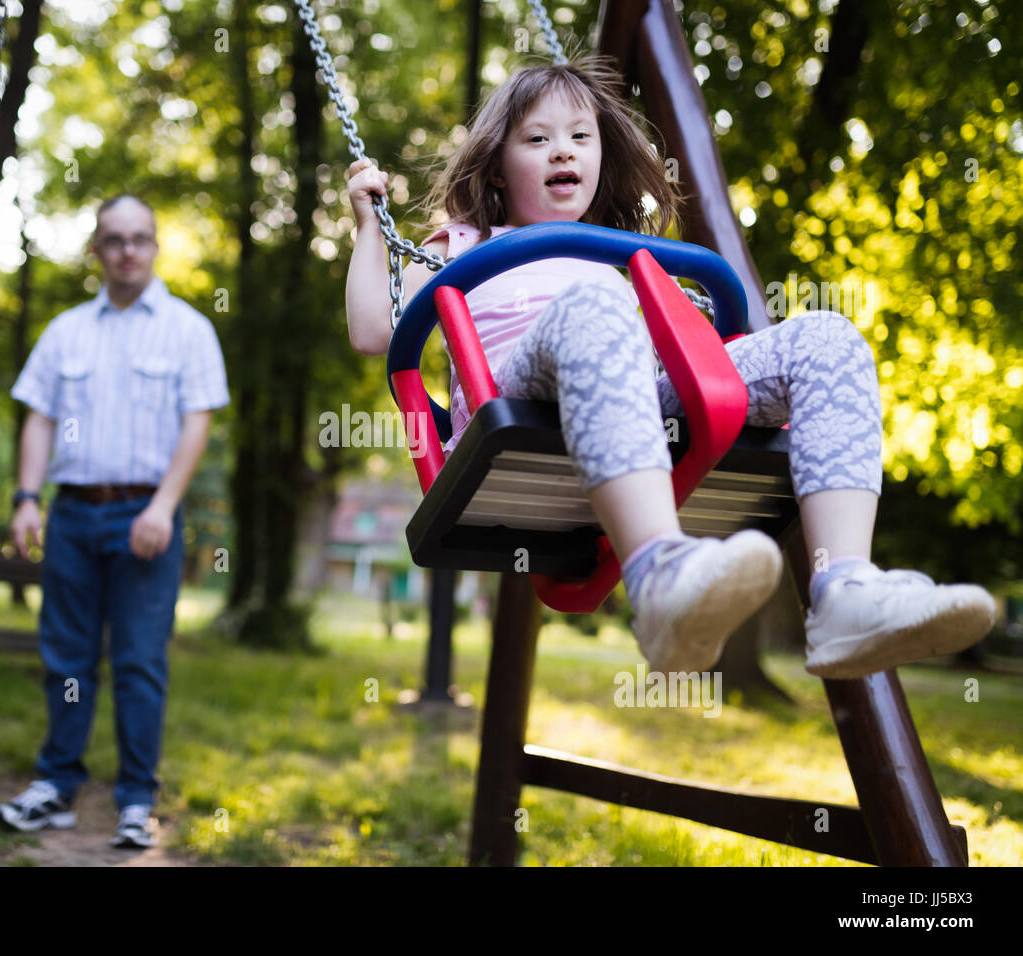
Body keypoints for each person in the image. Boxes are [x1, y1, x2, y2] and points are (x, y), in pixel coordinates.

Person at [344, 55, 995, 678]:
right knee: (595, 304)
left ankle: (843, 588)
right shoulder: (466, 240)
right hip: (516, 411)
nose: (563, 150)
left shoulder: (620, 259)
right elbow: (375, 330)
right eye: (537, 138)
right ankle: (658, 573)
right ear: (495, 169)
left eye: (579, 136)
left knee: (827, 338)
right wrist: (368, 225)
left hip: (630, 406)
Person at [0, 194, 229, 848]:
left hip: (146, 515)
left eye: (140, 239)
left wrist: (162, 505)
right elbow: (39, 416)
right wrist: (25, 497)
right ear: (96, 251)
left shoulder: (188, 330)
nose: (128, 250)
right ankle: (56, 787)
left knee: (138, 662)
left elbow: (197, 422)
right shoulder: (66, 331)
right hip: (71, 514)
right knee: (65, 657)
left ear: (155, 247)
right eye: (114, 239)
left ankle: (135, 799)